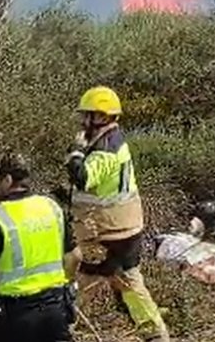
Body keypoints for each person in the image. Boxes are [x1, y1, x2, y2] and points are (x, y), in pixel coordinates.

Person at [64, 86, 169, 342]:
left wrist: (75, 153)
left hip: (109, 231)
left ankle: (61, 329)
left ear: (101, 116)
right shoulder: (109, 141)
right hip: (122, 228)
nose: (83, 121)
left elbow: (85, 178)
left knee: (85, 280)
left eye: (87, 115)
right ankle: (155, 334)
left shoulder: (107, 147)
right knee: (127, 282)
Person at [0, 153, 77, 342]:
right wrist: (65, 285)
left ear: (7, 179)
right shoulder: (52, 207)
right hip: (55, 310)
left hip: (14, 316)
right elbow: (75, 257)